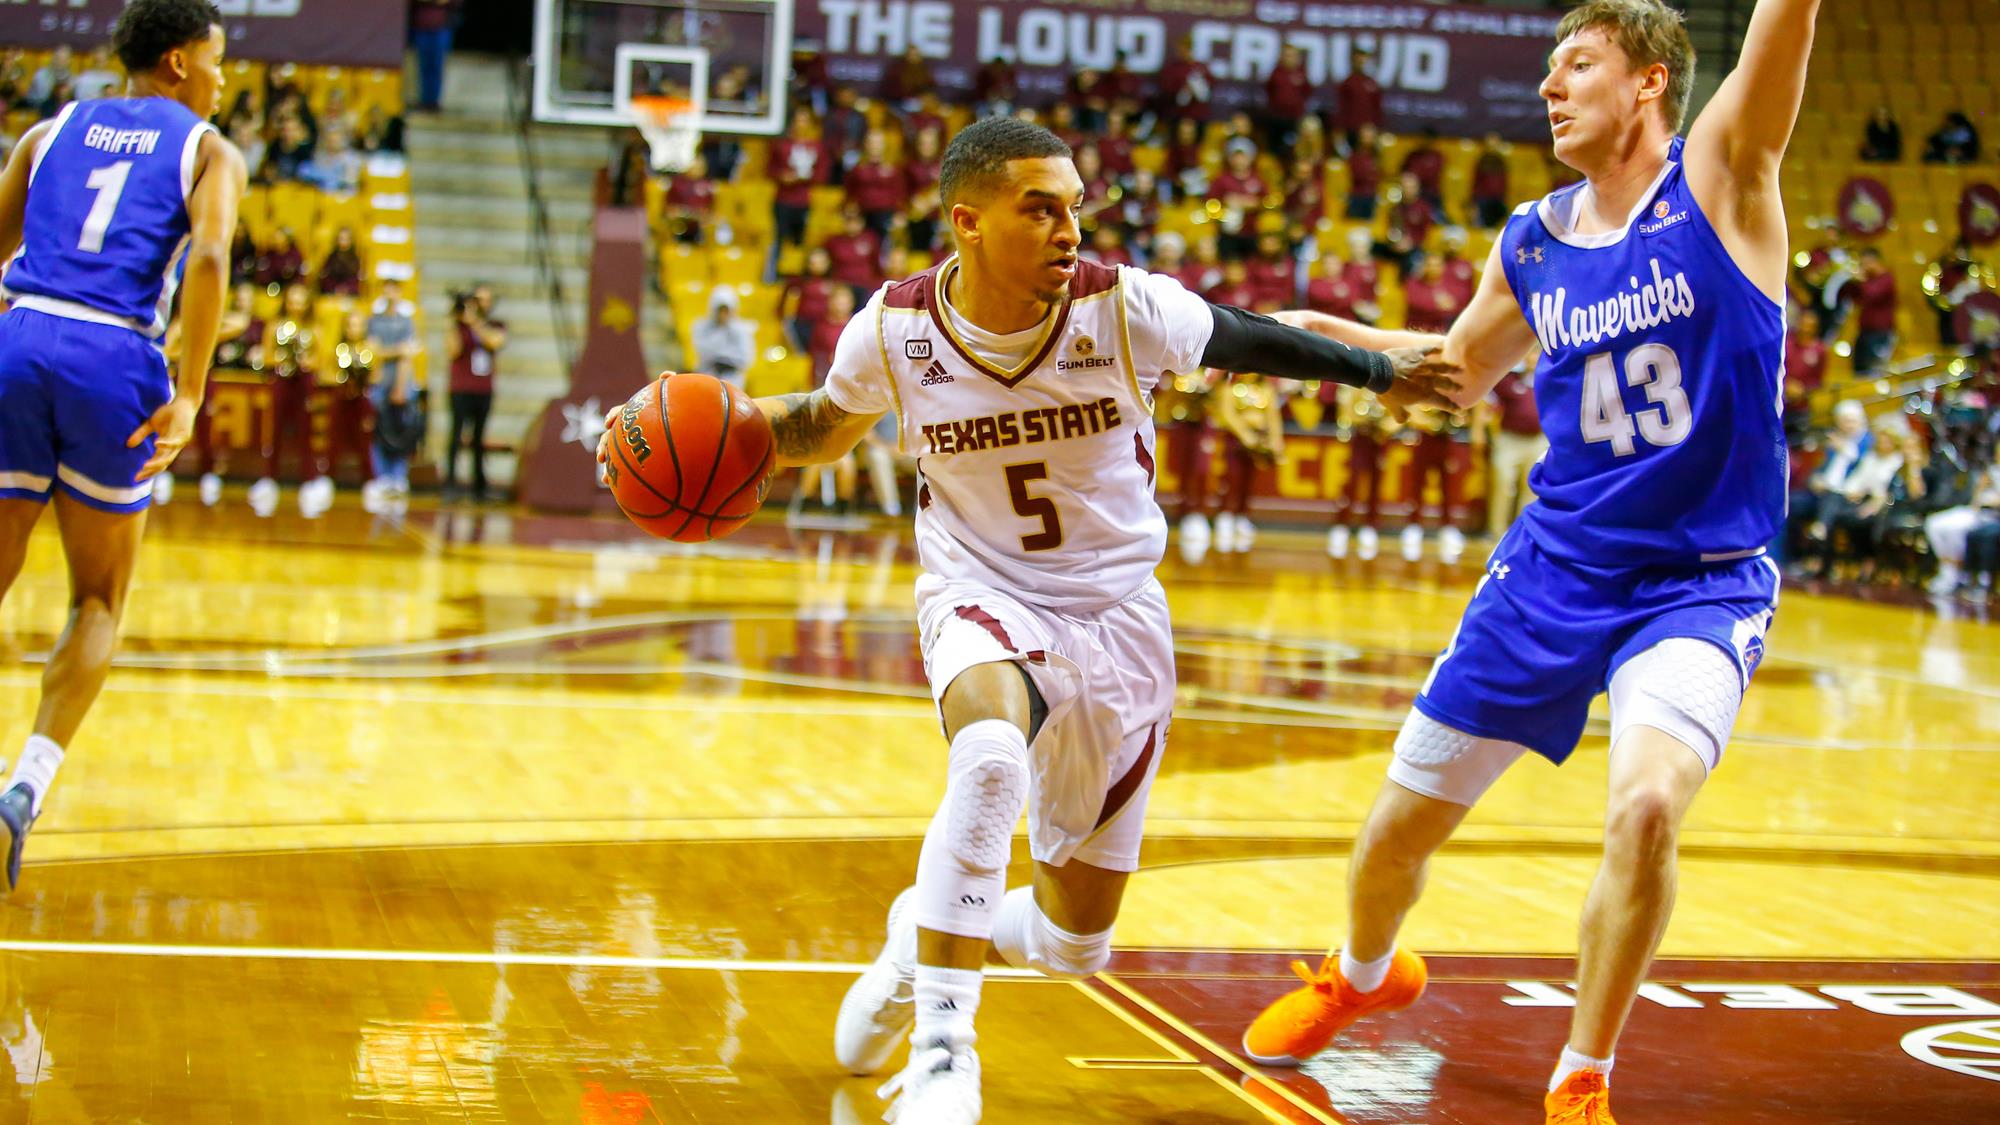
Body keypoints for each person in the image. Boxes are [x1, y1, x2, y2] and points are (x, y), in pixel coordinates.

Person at [598, 117, 1450, 1123]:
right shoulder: (894, 331)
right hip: (979, 591)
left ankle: (921, 933)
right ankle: (943, 1052)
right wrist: (687, 433)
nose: (1066, 229)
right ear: (966, 220)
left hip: (1119, 615)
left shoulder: (1125, 310)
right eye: (1039, 208)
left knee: (1071, 944)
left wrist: (1384, 373)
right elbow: (819, 426)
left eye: (1073, 207)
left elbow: (1258, 337)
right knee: (990, 756)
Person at [1243, 3, 1816, 1121]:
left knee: (1646, 808)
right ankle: (1363, 974)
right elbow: (1449, 372)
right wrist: (1297, 334)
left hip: (1697, 581)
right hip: (1551, 570)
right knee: (1394, 835)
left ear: (1648, 82)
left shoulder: (1724, 176)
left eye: (1577, 65)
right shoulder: (1533, 239)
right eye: (1548, 70)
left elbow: (1776, 31)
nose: (1549, 88)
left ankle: (1580, 1073)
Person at [0, 0, 245, 888]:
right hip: (115, 357)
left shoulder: (48, 131)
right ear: (179, 63)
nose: (225, 78)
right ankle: (23, 786)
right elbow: (211, 258)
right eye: (218, 61)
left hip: (21, 339)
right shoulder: (208, 149)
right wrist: (189, 393)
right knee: (98, 596)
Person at [443, 285, 505, 502]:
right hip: (461, 387)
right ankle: (450, 483)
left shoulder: (493, 325)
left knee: (479, 438)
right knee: (456, 434)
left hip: (483, 389)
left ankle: (479, 485)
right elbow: (453, 350)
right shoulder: (457, 327)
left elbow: (495, 341)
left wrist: (475, 323)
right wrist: (457, 321)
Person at [364, 279, 421, 508]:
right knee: (378, 429)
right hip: (379, 382)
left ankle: (399, 476)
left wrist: (400, 385)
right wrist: (393, 351)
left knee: (400, 430)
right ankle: (381, 476)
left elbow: (407, 355)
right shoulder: (374, 322)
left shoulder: (407, 323)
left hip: (401, 382)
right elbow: (373, 351)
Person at [690, 285, 756, 386]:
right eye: (720, 310)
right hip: (708, 375)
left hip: (733, 379)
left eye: (726, 310)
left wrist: (722, 358)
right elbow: (703, 352)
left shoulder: (741, 330)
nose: (723, 314)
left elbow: (746, 358)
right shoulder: (701, 327)